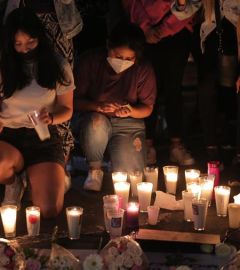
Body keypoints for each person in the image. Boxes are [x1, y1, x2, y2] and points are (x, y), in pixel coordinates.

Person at [0, 8, 74, 217]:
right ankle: (14, 183)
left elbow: (67, 109)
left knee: (49, 209)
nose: (25, 50)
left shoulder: (57, 64)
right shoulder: (0, 61)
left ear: (40, 38)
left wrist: (51, 118)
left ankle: (36, 179)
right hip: (9, 136)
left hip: (43, 135)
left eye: (30, 42)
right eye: (18, 44)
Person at [4, 1, 82, 188]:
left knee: (56, 89)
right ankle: (21, 172)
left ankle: (58, 163)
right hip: (22, 15)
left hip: (58, 21)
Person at [73, 22, 156, 191]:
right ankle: (95, 170)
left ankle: (116, 161)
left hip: (127, 123)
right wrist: (97, 106)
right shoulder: (90, 61)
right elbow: (73, 101)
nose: (122, 62)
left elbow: (147, 108)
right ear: (108, 46)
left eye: (129, 59)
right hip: (94, 118)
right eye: (118, 56)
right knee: (96, 124)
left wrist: (131, 111)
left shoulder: (143, 69)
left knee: (133, 183)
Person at [123, 0, 195, 166]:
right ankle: (147, 145)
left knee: (174, 88)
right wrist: (145, 28)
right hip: (144, 32)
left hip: (178, 30)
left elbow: (189, 5)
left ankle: (176, 145)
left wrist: (163, 30)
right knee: (148, 87)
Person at [172, 0, 240, 162]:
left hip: (235, 41)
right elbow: (183, 12)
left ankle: (235, 150)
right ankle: (211, 148)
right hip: (210, 42)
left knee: (232, 95)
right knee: (207, 89)